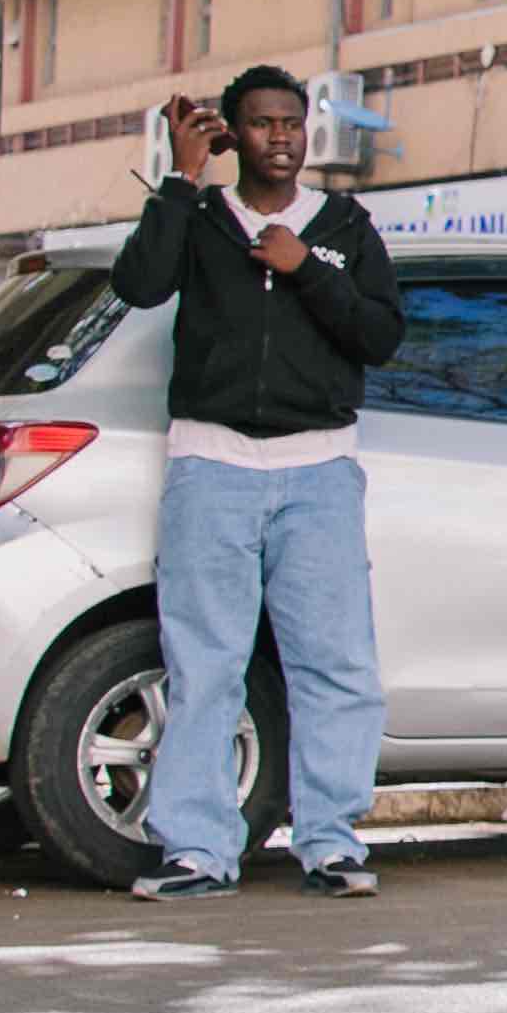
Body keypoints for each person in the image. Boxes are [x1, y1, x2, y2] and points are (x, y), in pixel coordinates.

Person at [106, 64, 402, 900]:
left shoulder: (344, 225)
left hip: (319, 471)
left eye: (292, 123)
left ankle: (332, 844)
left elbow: (381, 337)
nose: (281, 137)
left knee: (335, 665)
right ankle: (197, 850)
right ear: (235, 134)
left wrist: (307, 267)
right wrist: (179, 178)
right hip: (212, 466)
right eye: (264, 123)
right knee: (204, 666)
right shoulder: (200, 220)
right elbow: (138, 284)